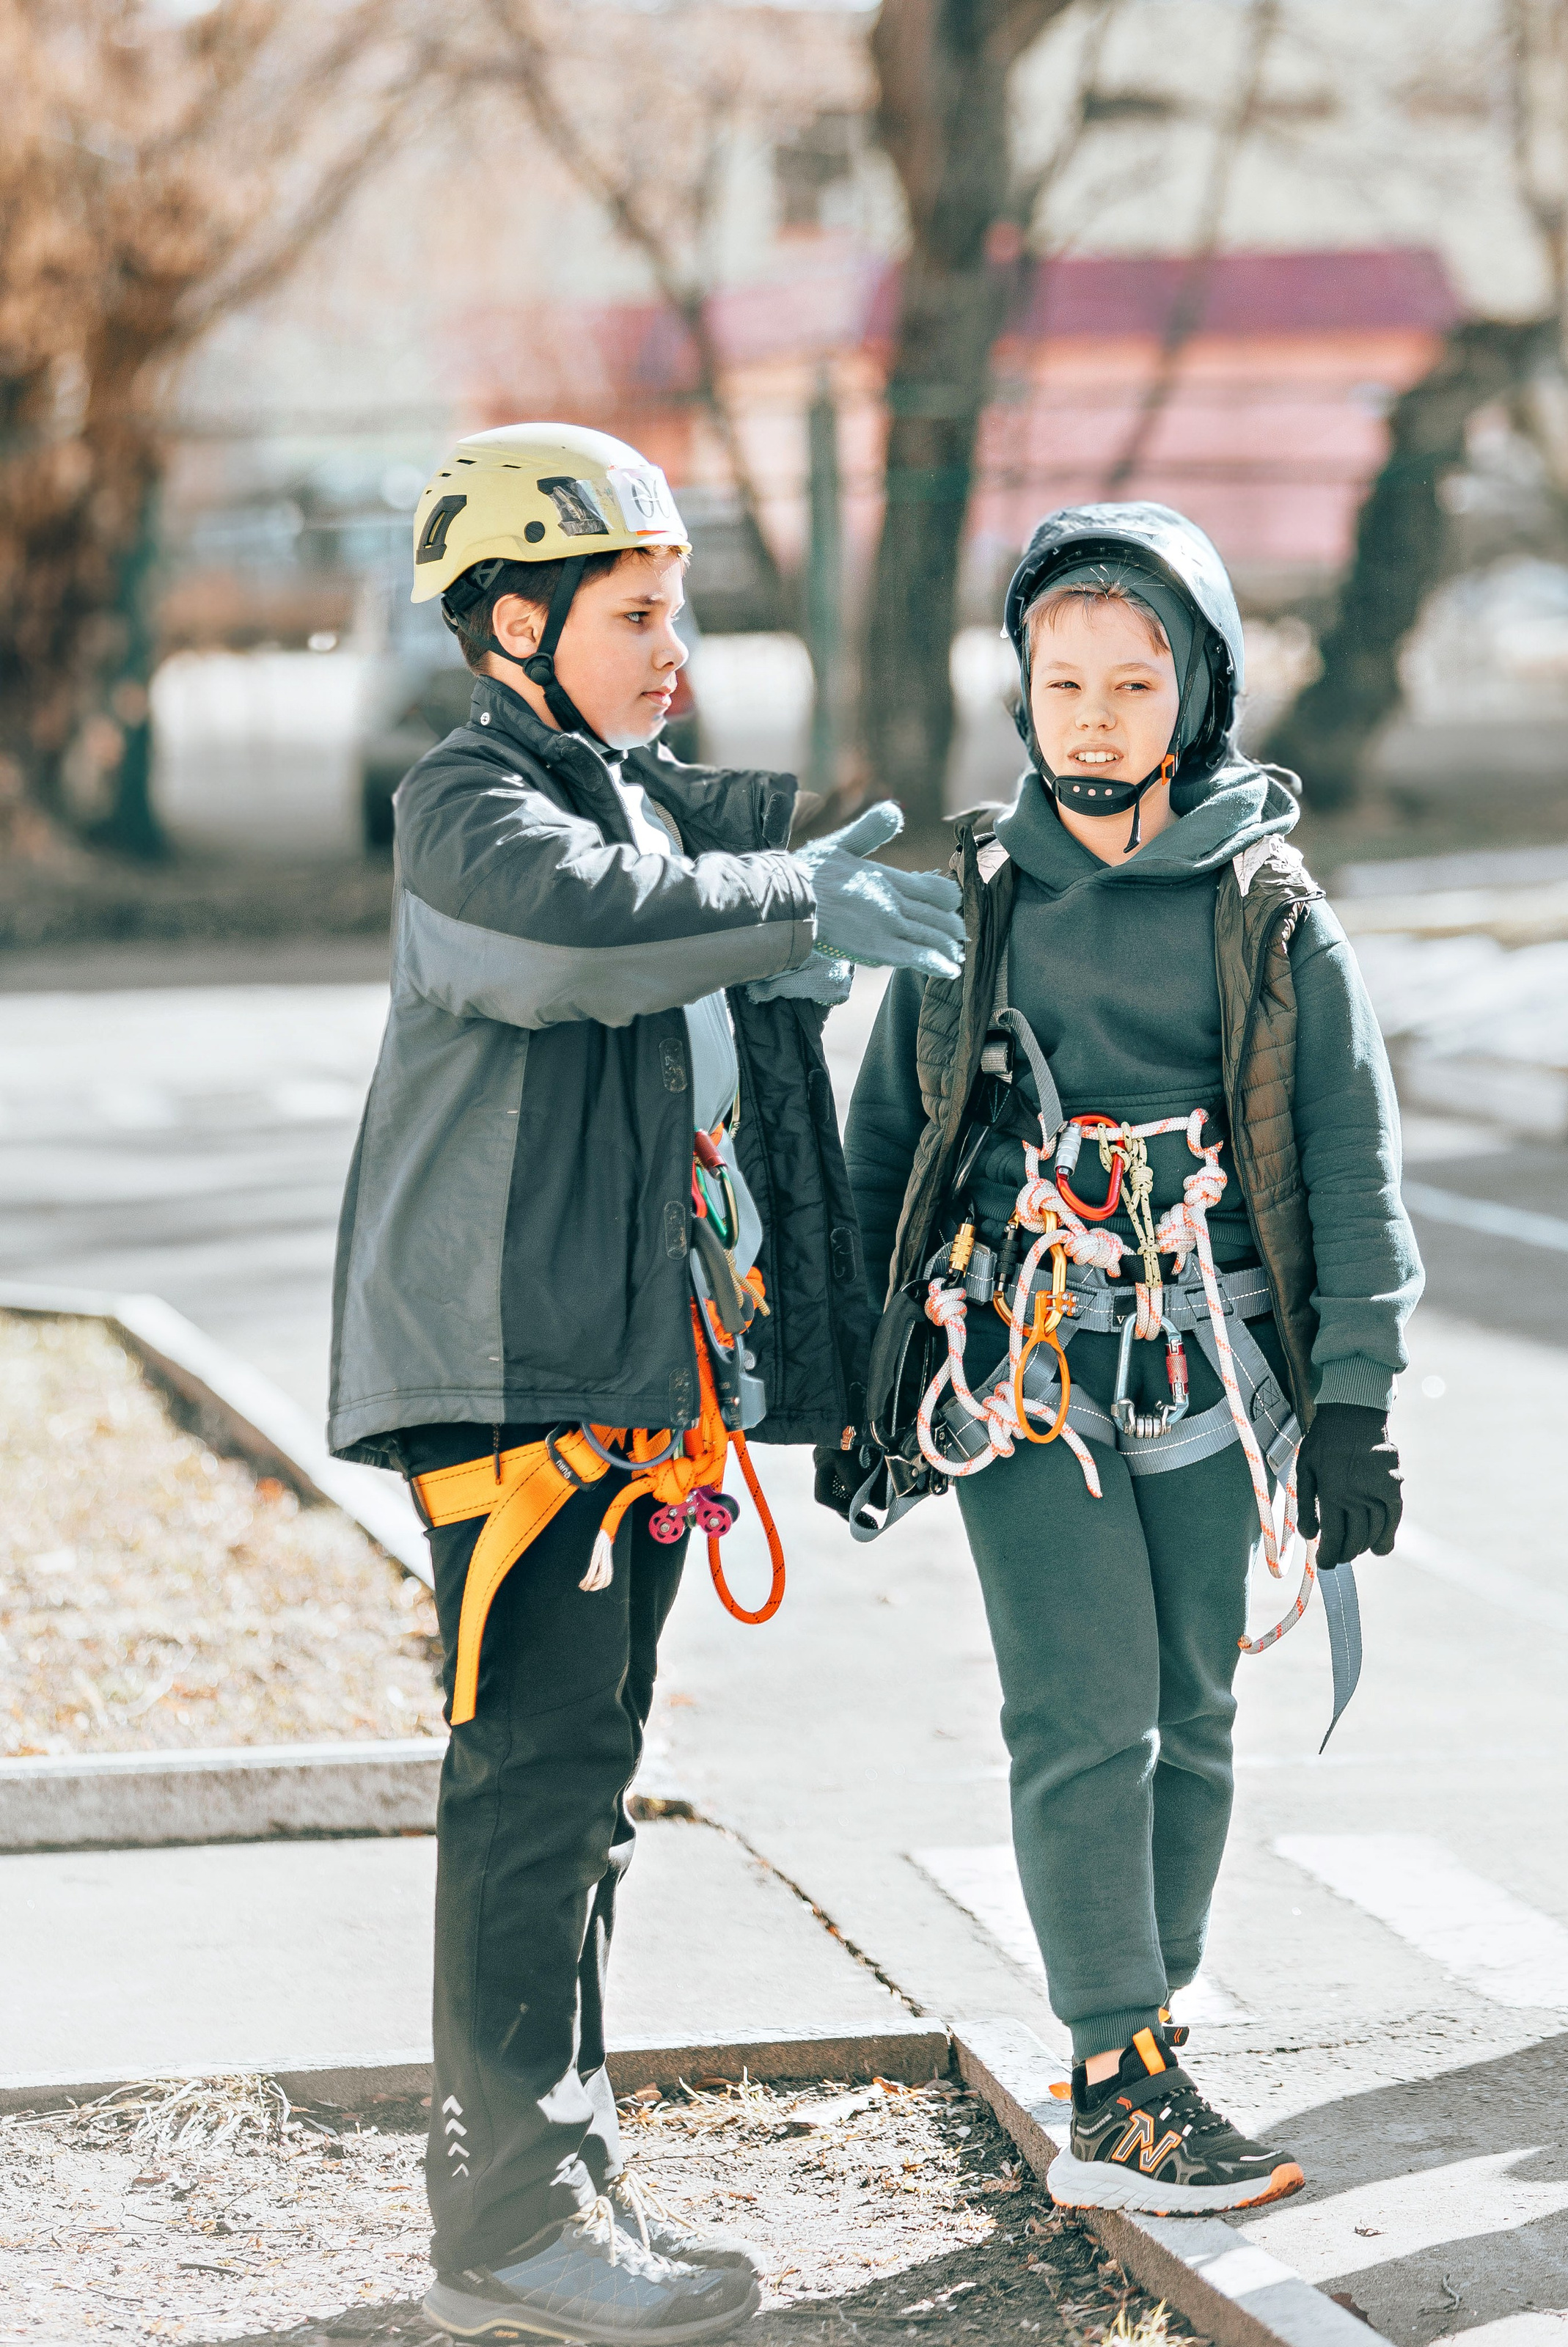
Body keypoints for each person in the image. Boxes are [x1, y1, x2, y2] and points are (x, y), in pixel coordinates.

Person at [327, 422, 964, 2344]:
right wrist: (783, 904)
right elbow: (560, 945)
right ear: (512, 619)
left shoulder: (634, 802)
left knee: (587, 1786)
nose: (671, 644)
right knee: (532, 1780)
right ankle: (508, 2224)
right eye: (634, 608)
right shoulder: (474, 808)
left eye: (677, 607)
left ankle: (560, 2180)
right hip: (510, 1387)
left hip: (624, 1383)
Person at [832, 501, 1422, 2216]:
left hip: (1214, 1371)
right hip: (1015, 1366)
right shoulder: (980, 901)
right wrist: (847, 1391)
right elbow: (891, 1148)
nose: (1091, 713)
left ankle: (1142, 2030)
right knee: (1081, 1711)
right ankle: (1112, 2081)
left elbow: (1346, 1168)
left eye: (1132, 679)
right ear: (1019, 693)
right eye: (1059, 678)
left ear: (1200, 691)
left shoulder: (1271, 914)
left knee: (1192, 1708)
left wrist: (1357, 1413)